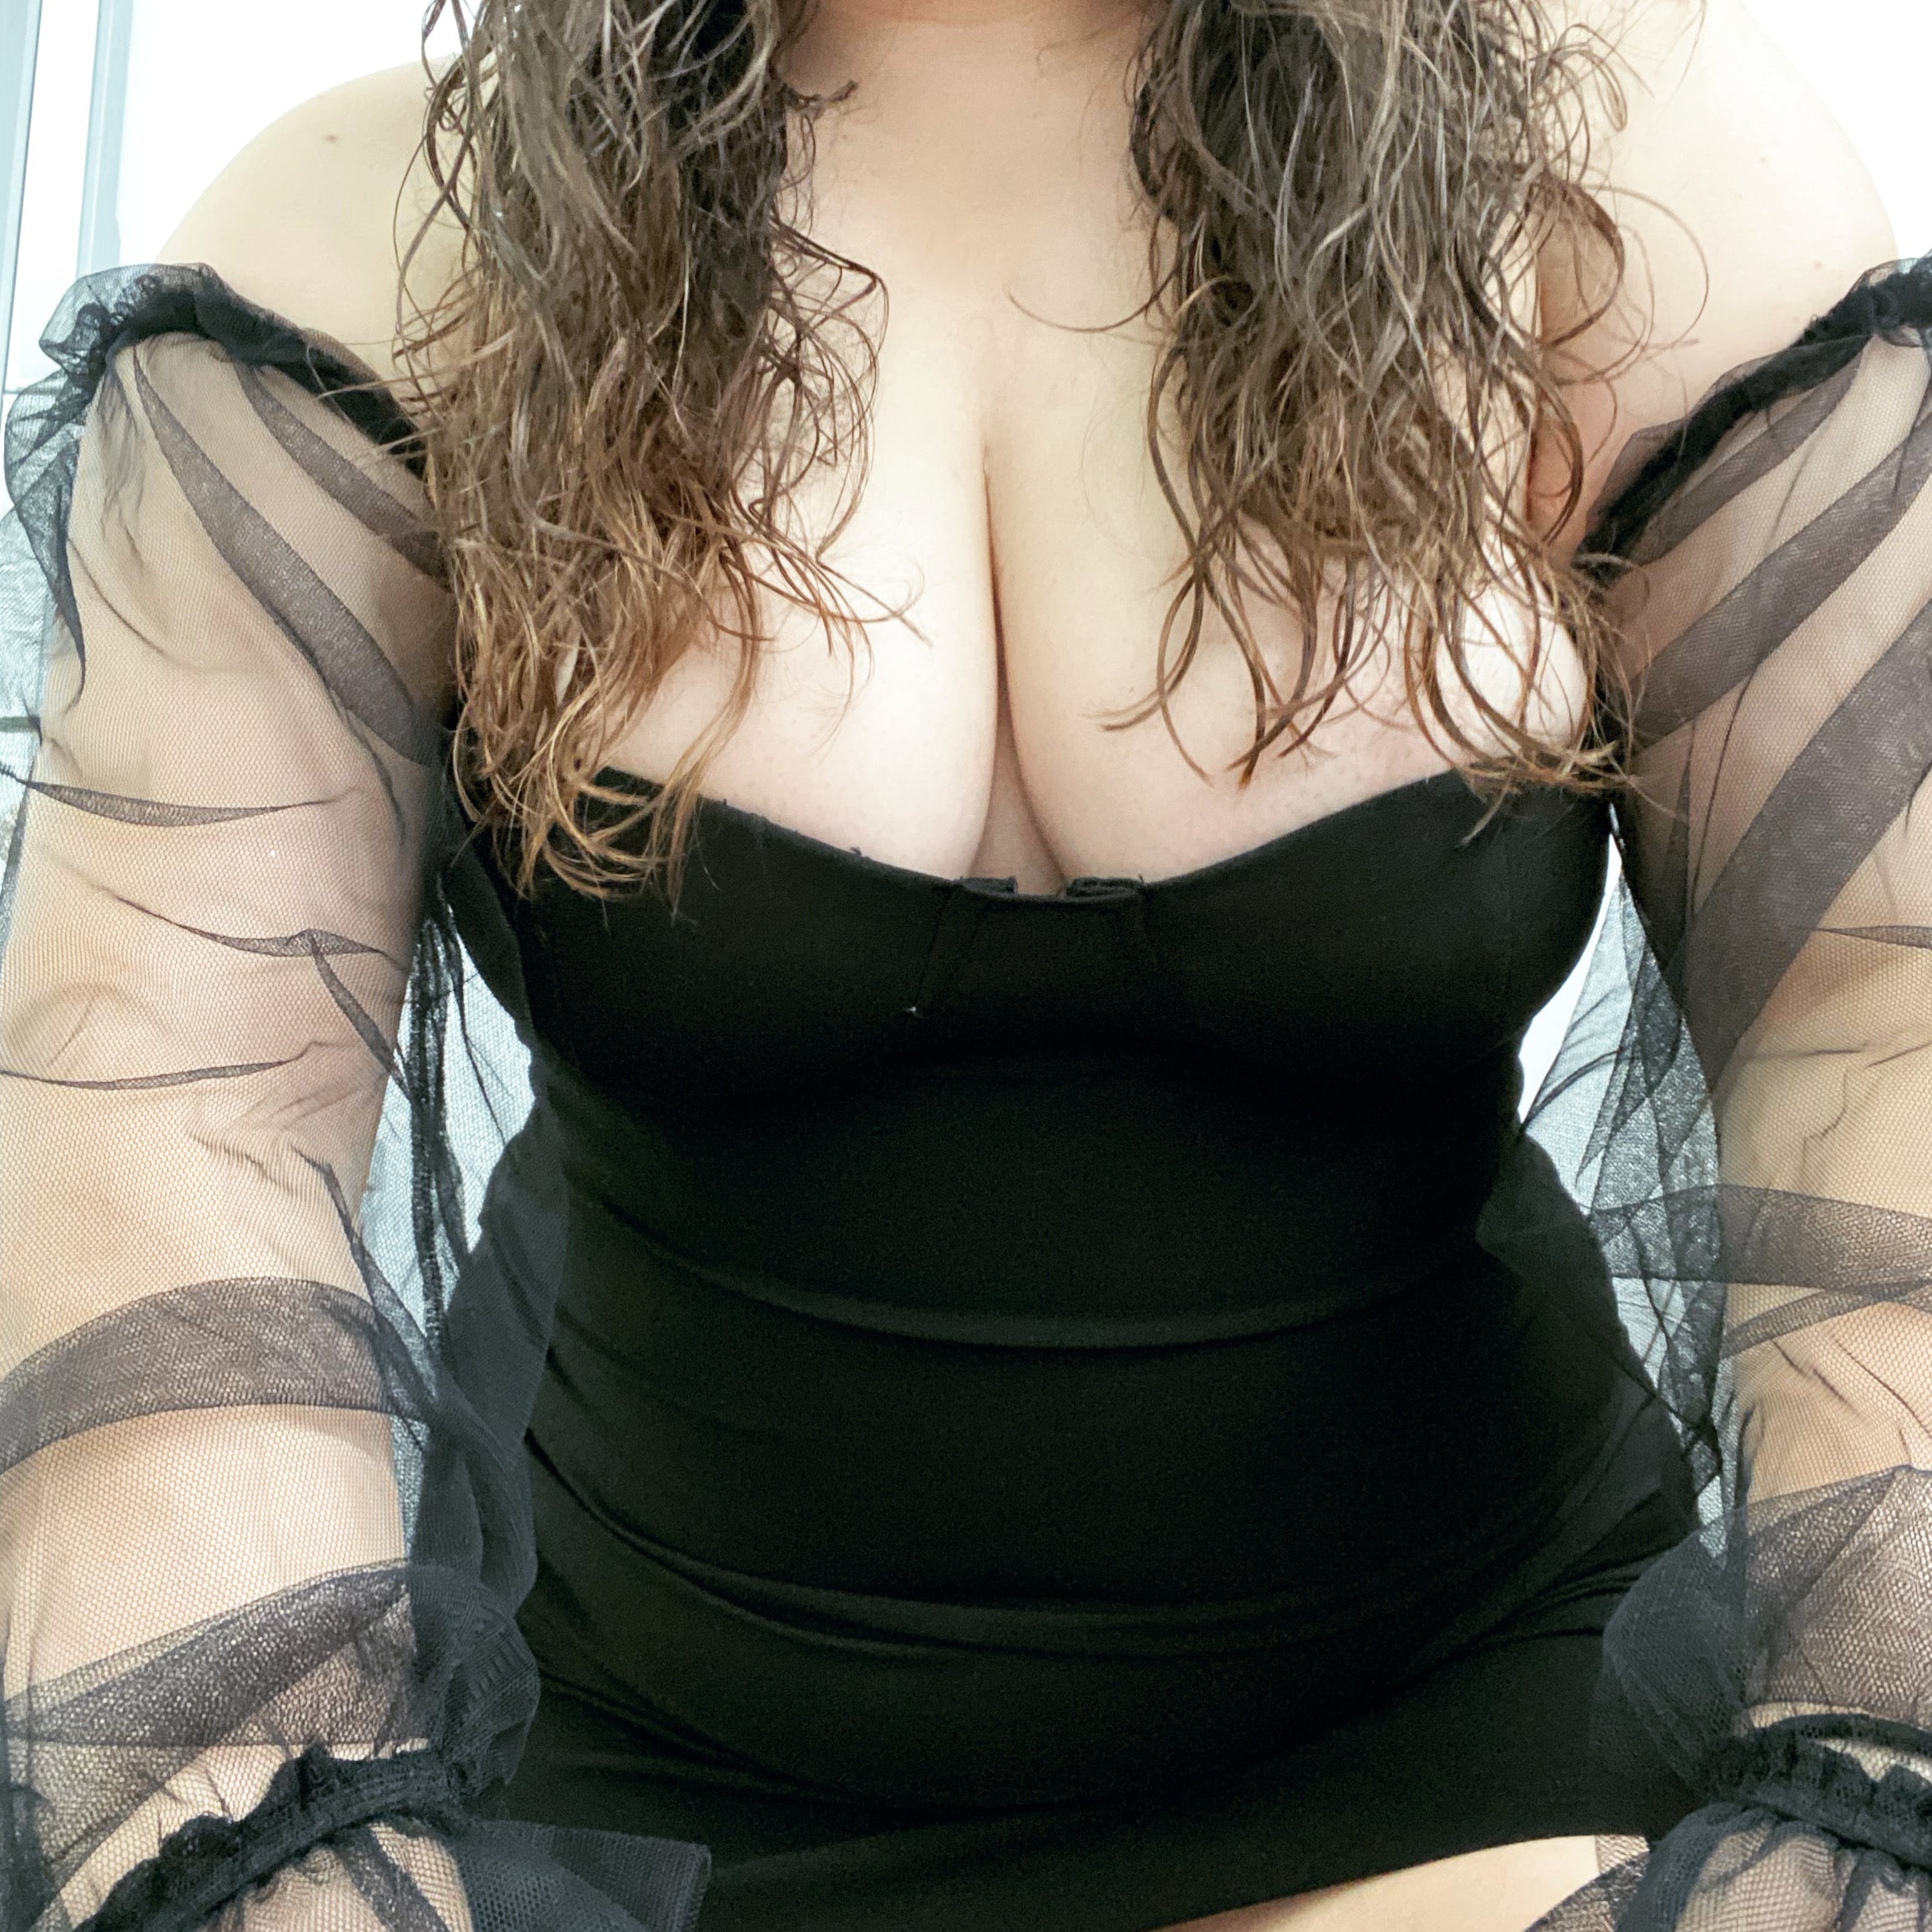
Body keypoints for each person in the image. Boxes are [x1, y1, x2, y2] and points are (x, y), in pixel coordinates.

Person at [1, 0, 1926, 1925]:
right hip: (624, 1759)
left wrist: (1853, 1792)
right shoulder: (378, 245)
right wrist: (266, 1848)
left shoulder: (1619, 176)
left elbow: (1878, 1030)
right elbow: (163, 1112)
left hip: (1487, 1706)